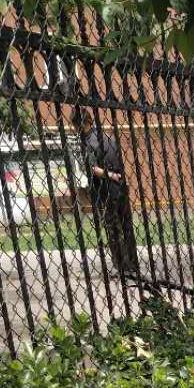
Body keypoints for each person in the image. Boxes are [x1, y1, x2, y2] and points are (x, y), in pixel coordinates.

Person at [78, 108, 139, 278]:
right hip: (121, 186)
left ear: (80, 124)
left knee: (113, 229)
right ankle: (133, 264)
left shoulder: (87, 142)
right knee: (126, 226)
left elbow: (93, 168)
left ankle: (123, 267)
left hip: (106, 189)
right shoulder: (107, 136)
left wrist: (110, 175)